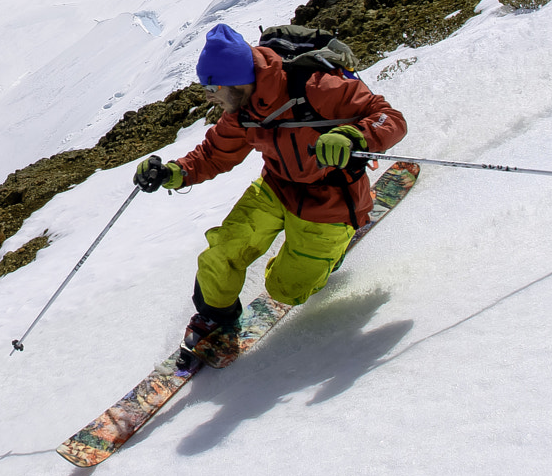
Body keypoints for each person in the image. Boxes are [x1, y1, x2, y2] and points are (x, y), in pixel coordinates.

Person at [133, 22, 406, 365]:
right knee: (224, 249)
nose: (209, 97)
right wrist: (174, 173)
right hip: (277, 186)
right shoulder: (243, 109)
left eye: (213, 87)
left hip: (331, 201)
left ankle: (332, 251)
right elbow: (214, 154)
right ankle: (216, 318)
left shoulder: (317, 88)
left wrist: (354, 137)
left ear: (237, 80)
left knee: (286, 290)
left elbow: (389, 118)